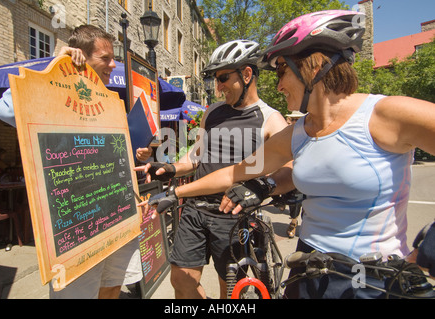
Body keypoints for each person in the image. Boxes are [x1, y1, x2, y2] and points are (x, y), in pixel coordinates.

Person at [145, 10, 435, 298]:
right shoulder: (298, 132)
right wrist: (265, 184)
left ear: (315, 66)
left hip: (373, 278)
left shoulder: (385, 113)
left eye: (282, 69)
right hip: (308, 268)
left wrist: (429, 248)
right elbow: (235, 172)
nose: (279, 84)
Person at [0, 24, 146, 299]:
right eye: (105, 58)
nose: (113, 65)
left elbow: (111, 155)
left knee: (112, 287)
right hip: (78, 226)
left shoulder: (110, 101)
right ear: (82, 56)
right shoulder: (55, 92)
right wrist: (54, 65)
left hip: (117, 213)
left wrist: (133, 156)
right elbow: (5, 108)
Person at [140, 40, 288, 299]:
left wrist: (264, 186)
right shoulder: (213, 112)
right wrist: (171, 167)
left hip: (231, 217)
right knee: (181, 279)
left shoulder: (270, 118)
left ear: (246, 74)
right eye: (215, 79)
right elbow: (195, 156)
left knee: (228, 290)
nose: (218, 87)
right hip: (195, 210)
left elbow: (288, 165)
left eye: (222, 78)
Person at [284, 111, 305, 238]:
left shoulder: (313, 133)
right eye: (295, 119)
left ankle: (306, 224)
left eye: (300, 119)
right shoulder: (286, 135)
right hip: (292, 172)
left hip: (310, 174)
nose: (297, 122)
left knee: (309, 203)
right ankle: (293, 221)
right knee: (295, 200)